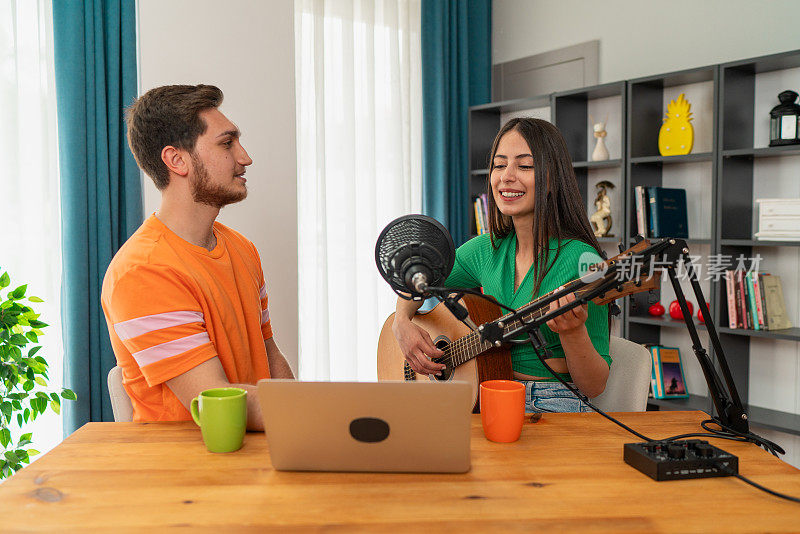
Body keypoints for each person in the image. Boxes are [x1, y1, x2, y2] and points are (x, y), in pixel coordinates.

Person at [101, 84, 294, 430]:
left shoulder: (243, 249)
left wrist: (307, 430)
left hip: (258, 453)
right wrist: (320, 412)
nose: (244, 157)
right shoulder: (143, 271)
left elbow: (270, 357)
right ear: (177, 160)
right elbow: (215, 399)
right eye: (226, 143)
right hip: (187, 470)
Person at [392, 118, 611, 413]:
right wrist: (401, 322)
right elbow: (418, 280)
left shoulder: (586, 262)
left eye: (525, 166)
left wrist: (572, 333)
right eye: (499, 165)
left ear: (551, 179)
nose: (506, 177)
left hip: (552, 402)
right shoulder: (487, 248)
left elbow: (595, 385)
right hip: (483, 393)